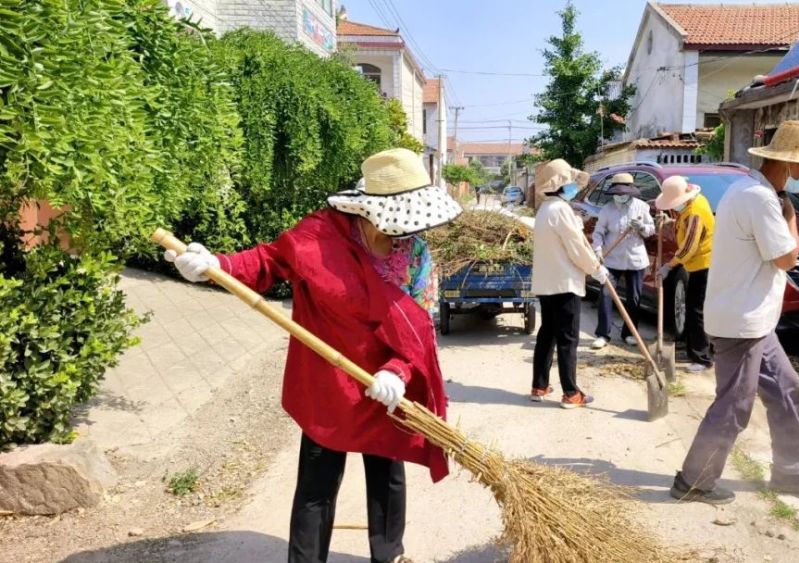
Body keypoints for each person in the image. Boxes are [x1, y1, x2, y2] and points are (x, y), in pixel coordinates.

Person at [165, 148, 462, 563]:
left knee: (387, 474)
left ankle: (388, 555)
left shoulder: (416, 255)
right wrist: (217, 266)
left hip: (388, 381)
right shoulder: (322, 236)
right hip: (332, 379)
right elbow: (268, 262)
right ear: (370, 209)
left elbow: (420, 326)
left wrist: (397, 371)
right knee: (318, 480)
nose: (403, 232)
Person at [670, 121, 799, 504]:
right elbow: (788, 258)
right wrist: (791, 213)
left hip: (756, 319)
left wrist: (784, 205)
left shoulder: (752, 190)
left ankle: (792, 473)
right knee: (734, 404)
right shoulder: (761, 199)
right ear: (792, 165)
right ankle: (693, 481)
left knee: (786, 388)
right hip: (740, 322)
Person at [530, 159, 609, 408]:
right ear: (562, 184)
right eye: (570, 183)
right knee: (567, 339)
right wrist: (597, 270)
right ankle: (571, 393)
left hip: (547, 283)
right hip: (564, 284)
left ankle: (539, 386)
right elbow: (576, 248)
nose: (574, 186)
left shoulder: (545, 209)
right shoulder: (561, 210)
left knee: (547, 335)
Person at [655, 176, 715, 372]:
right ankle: (692, 348)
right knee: (692, 308)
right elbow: (686, 225)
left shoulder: (696, 211)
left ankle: (702, 358)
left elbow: (689, 247)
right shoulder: (694, 203)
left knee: (696, 311)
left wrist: (669, 266)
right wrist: (671, 220)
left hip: (703, 264)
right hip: (696, 264)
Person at [590, 173, 655, 349]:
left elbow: (651, 229)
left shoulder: (641, 207)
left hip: (635, 259)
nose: (621, 196)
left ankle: (630, 333)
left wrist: (641, 227)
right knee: (605, 294)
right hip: (611, 258)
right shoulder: (607, 210)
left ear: (631, 191)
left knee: (634, 298)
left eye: (624, 193)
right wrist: (597, 250)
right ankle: (603, 334)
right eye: (617, 193)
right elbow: (598, 232)